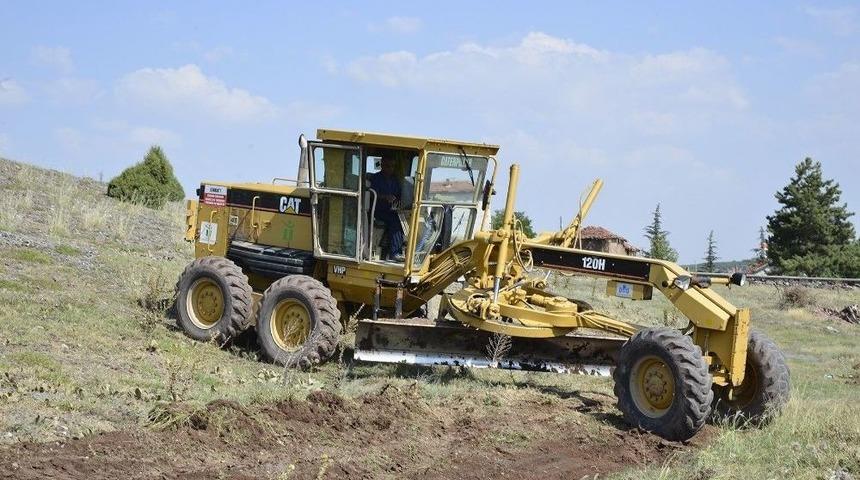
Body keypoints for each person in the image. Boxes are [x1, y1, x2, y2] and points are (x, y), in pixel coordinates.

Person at [369, 156, 404, 261]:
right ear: (382, 165)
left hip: (391, 209)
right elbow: (372, 194)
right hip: (377, 210)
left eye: (393, 166)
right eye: (388, 166)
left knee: (402, 218)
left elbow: (399, 194)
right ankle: (395, 253)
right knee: (395, 220)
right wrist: (385, 197)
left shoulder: (395, 180)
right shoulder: (376, 178)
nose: (390, 169)